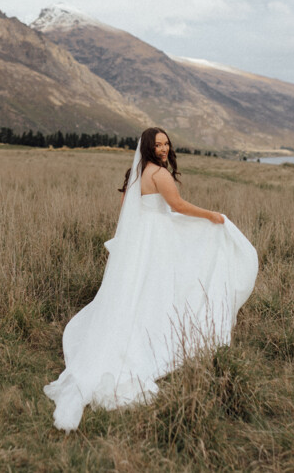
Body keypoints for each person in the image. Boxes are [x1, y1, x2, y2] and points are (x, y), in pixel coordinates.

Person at [44, 127, 259, 432]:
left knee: (139, 288)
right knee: (159, 286)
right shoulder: (159, 174)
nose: (162, 147)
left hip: (140, 239)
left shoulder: (137, 173)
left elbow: (127, 209)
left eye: (166, 143)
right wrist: (211, 215)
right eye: (157, 144)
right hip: (157, 238)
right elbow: (178, 206)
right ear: (147, 146)